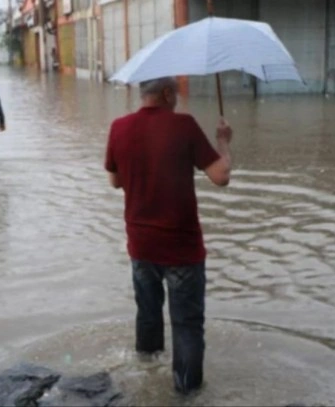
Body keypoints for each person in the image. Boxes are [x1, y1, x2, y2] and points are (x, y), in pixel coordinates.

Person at [104, 77, 233, 394]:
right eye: (175, 93)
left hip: (140, 245)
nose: (177, 99)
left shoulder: (119, 127)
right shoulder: (184, 126)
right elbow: (221, 177)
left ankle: (146, 375)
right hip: (182, 250)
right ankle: (187, 395)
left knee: (148, 316)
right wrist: (224, 141)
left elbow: (115, 181)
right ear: (165, 94)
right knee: (187, 325)